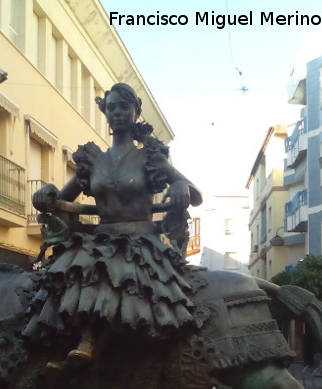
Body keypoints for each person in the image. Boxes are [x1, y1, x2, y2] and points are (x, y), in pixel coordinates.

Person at [24, 82, 202, 370]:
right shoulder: (93, 161)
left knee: (110, 274)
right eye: (112, 107)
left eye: (124, 107)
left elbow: (197, 195)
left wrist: (181, 183)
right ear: (105, 113)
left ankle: (116, 349)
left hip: (143, 241)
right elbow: (61, 199)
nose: (117, 112)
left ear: (136, 112)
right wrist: (46, 191)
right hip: (102, 240)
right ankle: (81, 344)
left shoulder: (150, 157)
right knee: (72, 272)